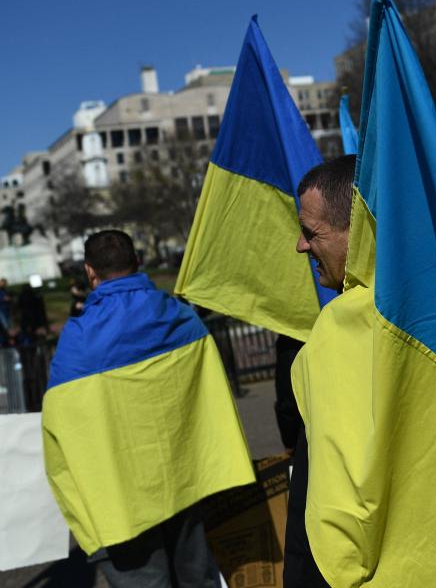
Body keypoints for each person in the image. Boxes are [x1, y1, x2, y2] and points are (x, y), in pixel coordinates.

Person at [42, 230, 254, 587]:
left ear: (89, 272)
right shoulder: (181, 318)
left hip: (120, 499)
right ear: (137, 262)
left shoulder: (77, 343)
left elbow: (60, 429)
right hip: (186, 482)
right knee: (198, 579)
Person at [282, 156, 357, 588]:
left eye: (313, 233)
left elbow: (323, 493)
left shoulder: (340, 332)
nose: (300, 246)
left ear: (359, 229)